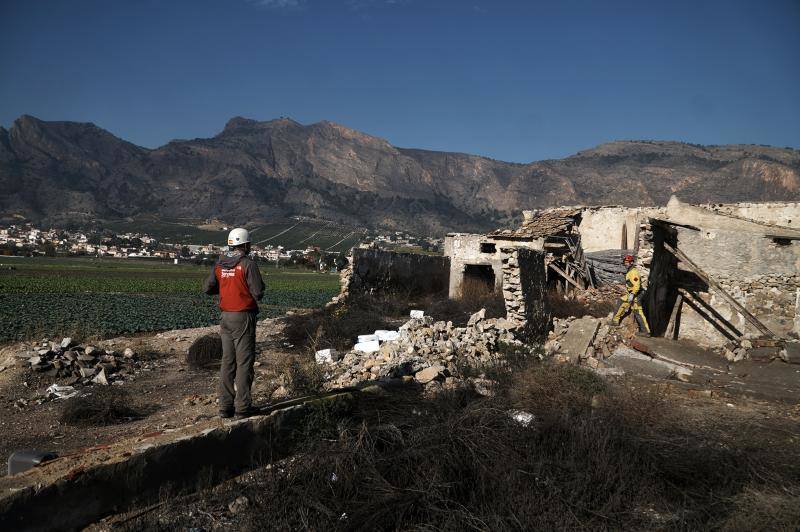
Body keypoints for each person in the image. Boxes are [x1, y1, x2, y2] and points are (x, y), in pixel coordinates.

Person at [204, 227, 265, 419]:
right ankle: (243, 407)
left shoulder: (220, 264)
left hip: (225, 317)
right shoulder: (247, 264)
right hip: (243, 317)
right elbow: (258, 292)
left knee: (227, 362)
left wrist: (226, 289)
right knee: (244, 362)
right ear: (245, 245)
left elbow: (207, 288)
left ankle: (225, 407)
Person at [612, 254, 651, 336]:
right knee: (621, 301)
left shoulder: (633, 272)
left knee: (638, 312)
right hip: (632, 293)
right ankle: (615, 321)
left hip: (637, 294)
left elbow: (636, 285)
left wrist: (632, 294)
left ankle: (646, 331)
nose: (626, 263)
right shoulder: (630, 271)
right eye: (625, 262)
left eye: (627, 262)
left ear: (631, 263)